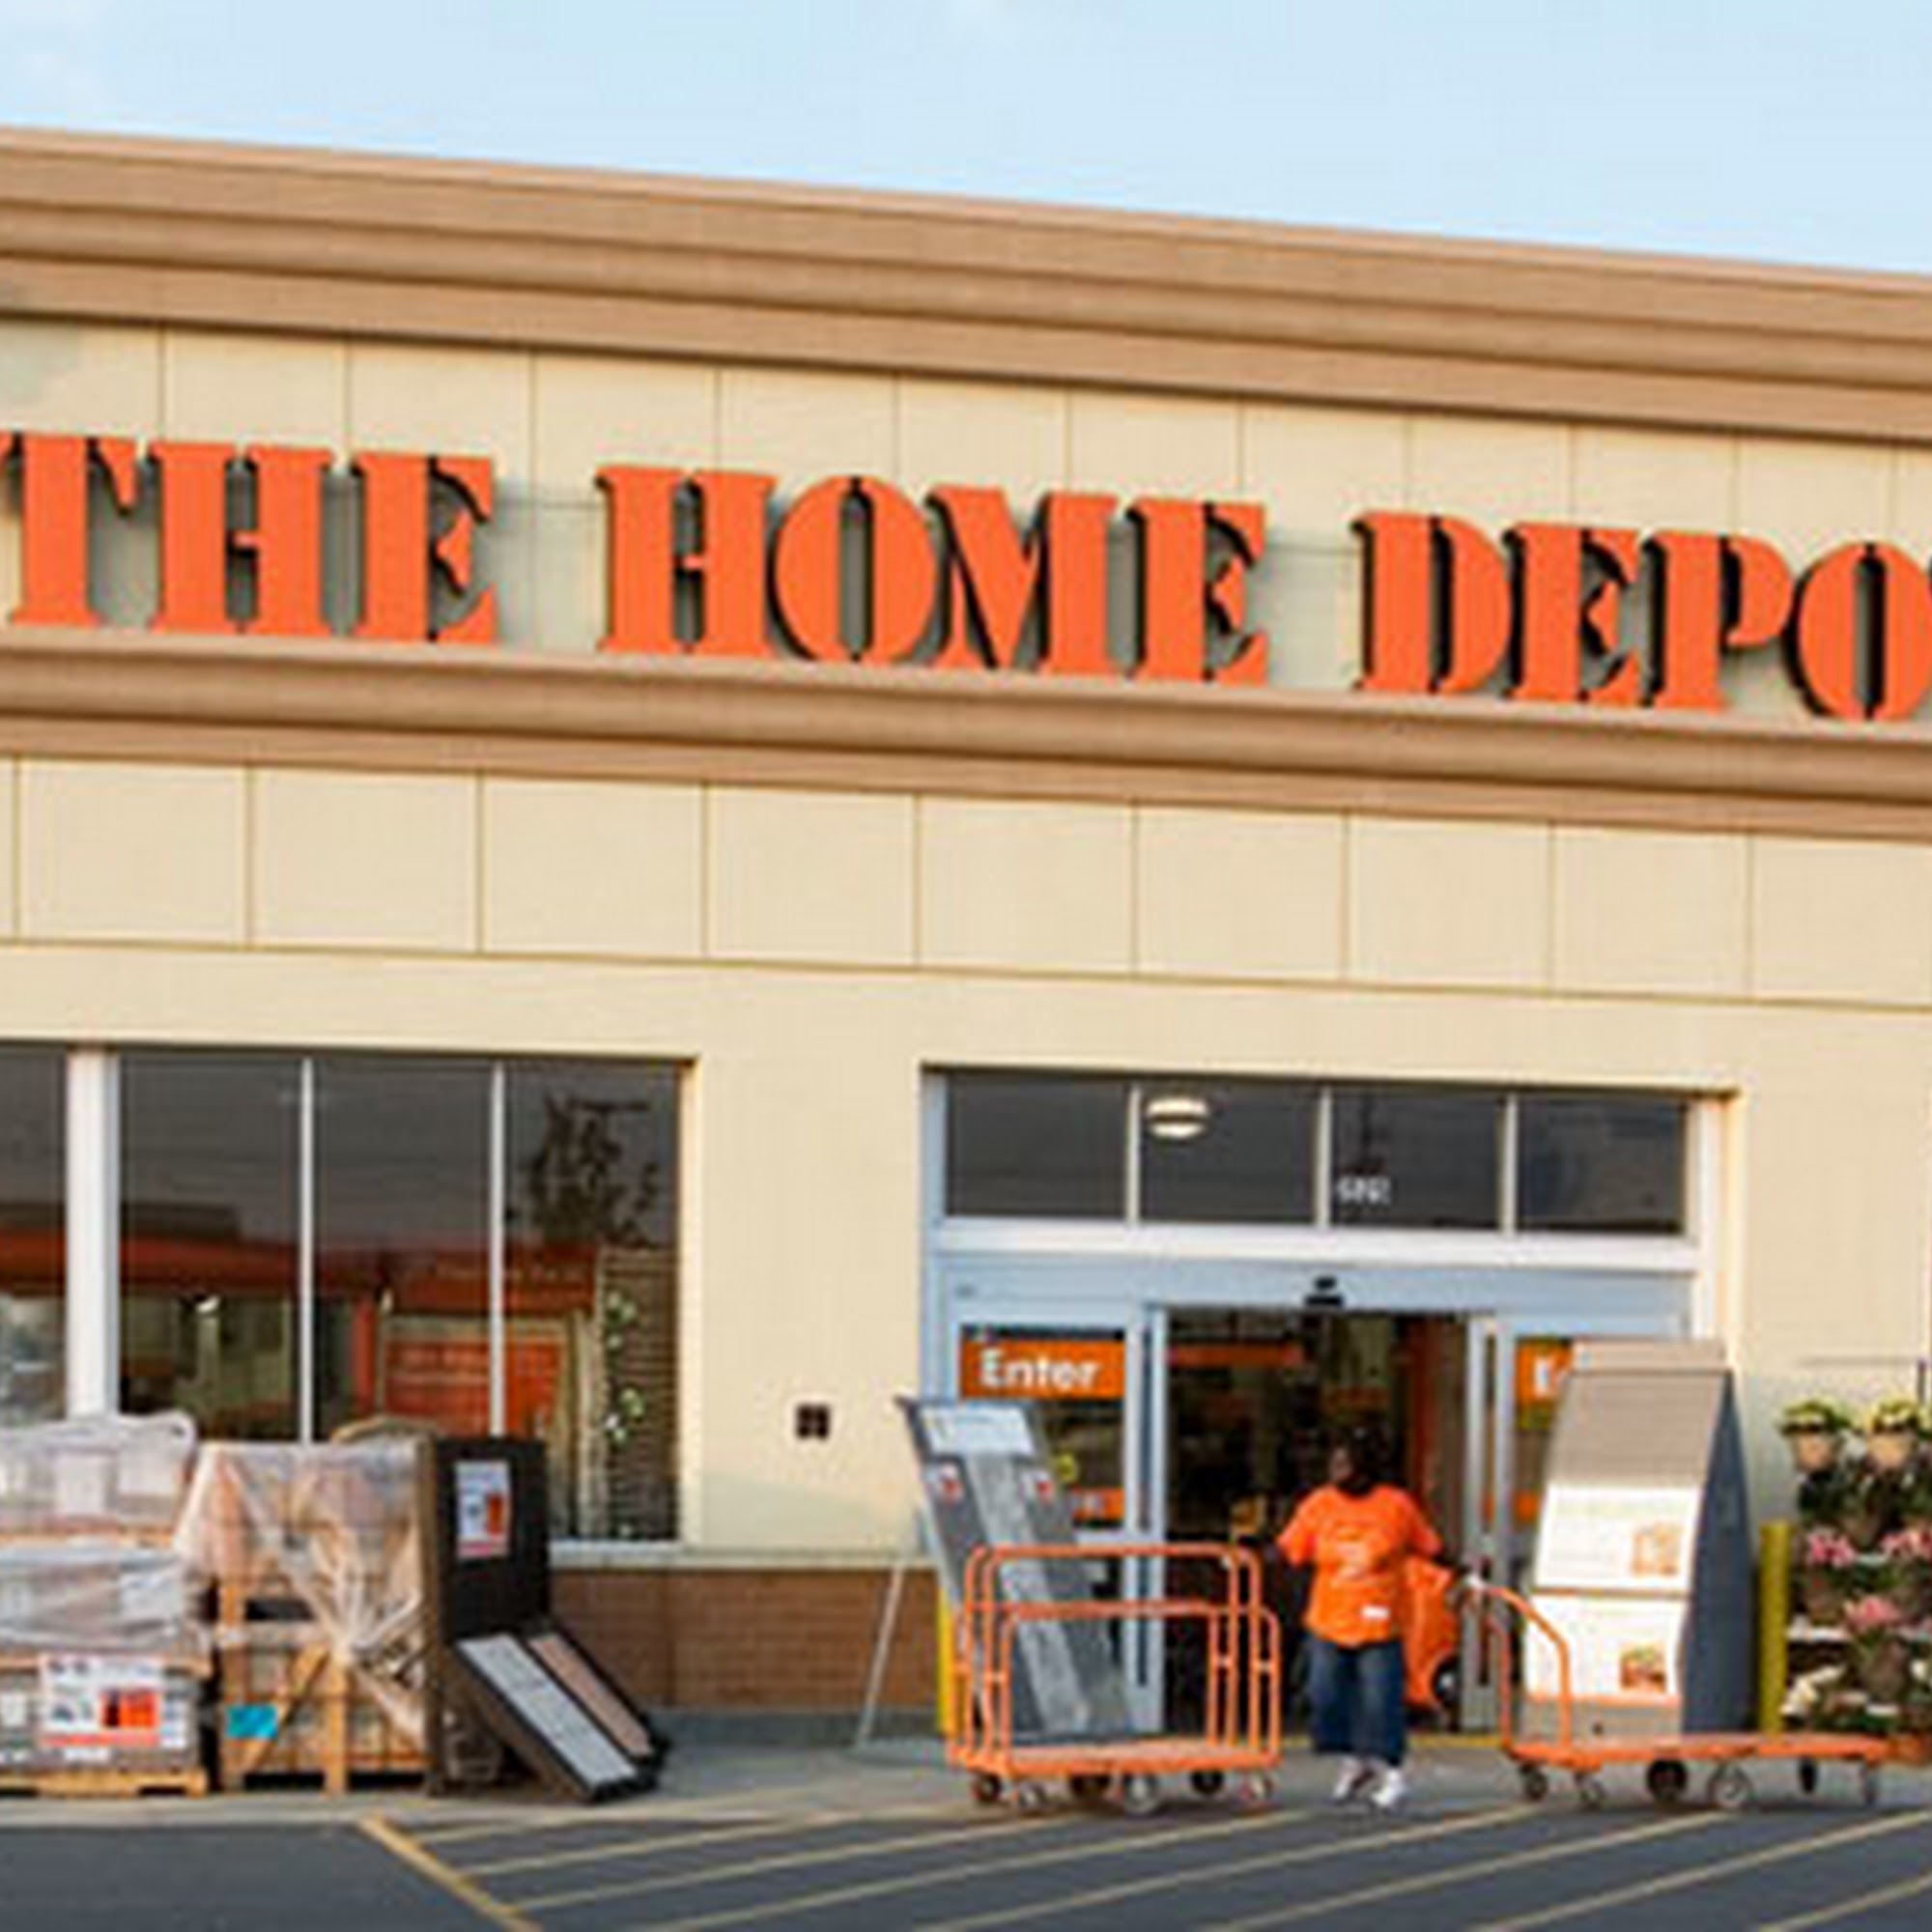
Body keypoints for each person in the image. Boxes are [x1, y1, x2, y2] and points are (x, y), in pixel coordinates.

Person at [1278, 1426, 1442, 1813]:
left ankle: (1391, 1772)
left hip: (1380, 1623)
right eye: (1333, 1465)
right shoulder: (1319, 1505)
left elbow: (1429, 1546)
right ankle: (1355, 1758)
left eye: (1344, 1465)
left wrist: (1463, 1574)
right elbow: (1291, 1549)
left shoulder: (1396, 1506)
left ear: (1365, 1467)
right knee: (1325, 1694)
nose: (1336, 1472)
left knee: (1381, 1699)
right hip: (1329, 1619)